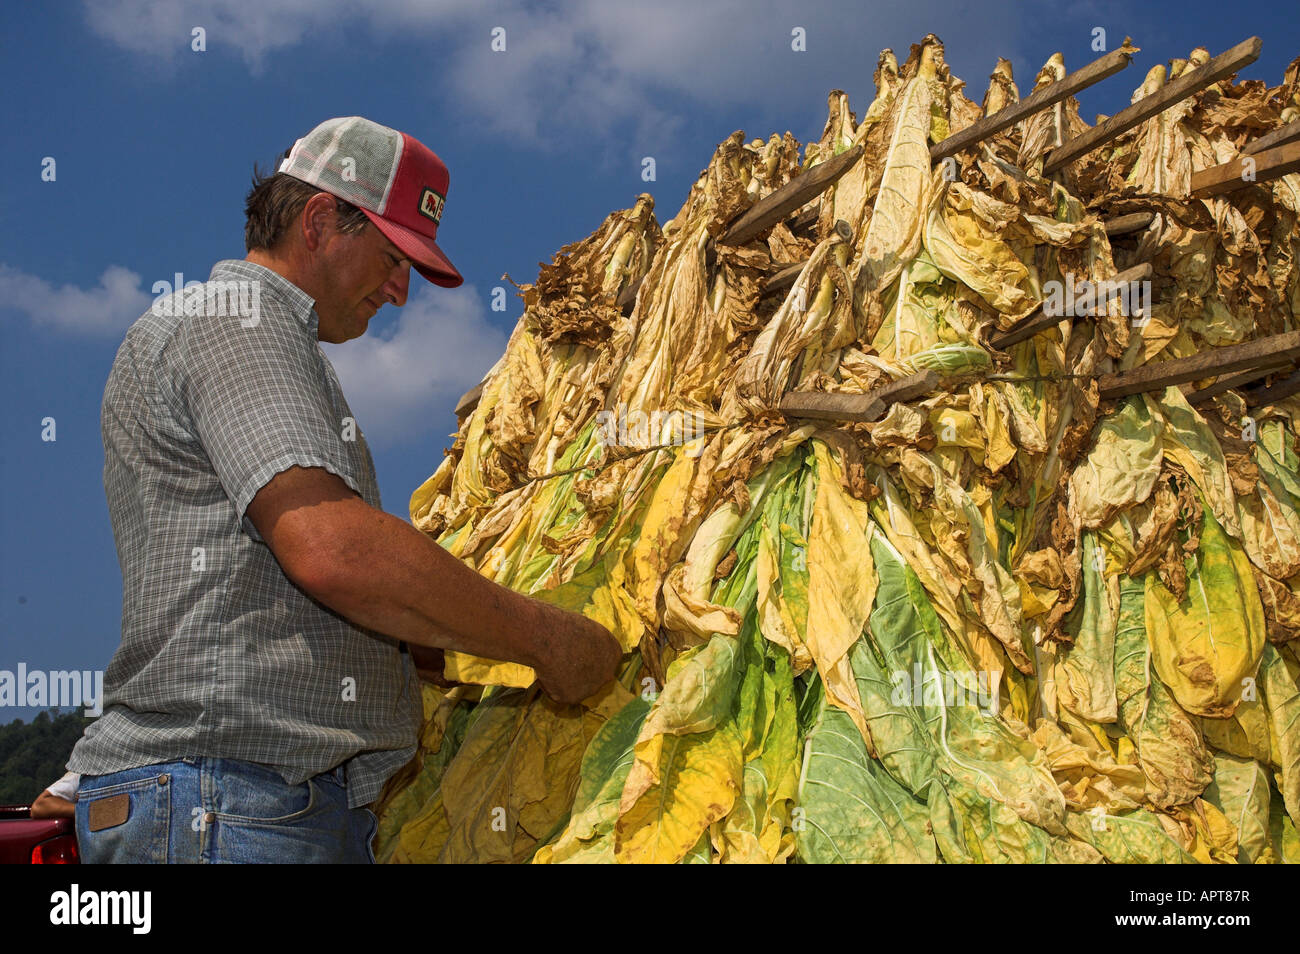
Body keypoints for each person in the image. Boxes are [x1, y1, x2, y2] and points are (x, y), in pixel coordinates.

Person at [67, 117, 622, 864]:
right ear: (321, 220)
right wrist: (548, 641)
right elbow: (333, 551)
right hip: (235, 806)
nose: (399, 293)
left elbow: (276, 597)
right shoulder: (241, 319)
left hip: (241, 804)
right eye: (393, 259)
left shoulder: (253, 340)